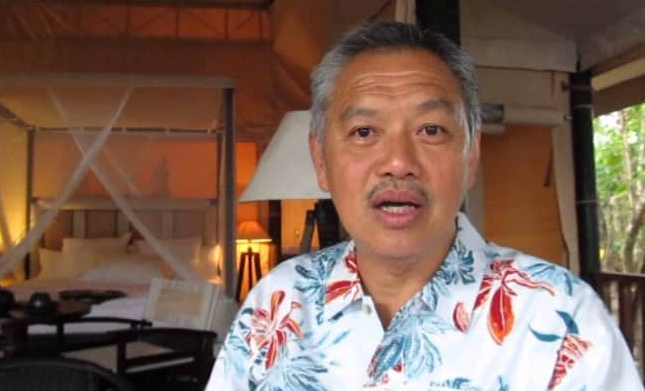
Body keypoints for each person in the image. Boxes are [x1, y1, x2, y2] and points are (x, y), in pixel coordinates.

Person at [206, 21, 643, 390]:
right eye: (364, 132)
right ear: (321, 161)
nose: (398, 162)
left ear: (470, 157)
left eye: (431, 130)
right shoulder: (277, 303)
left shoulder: (561, 317)